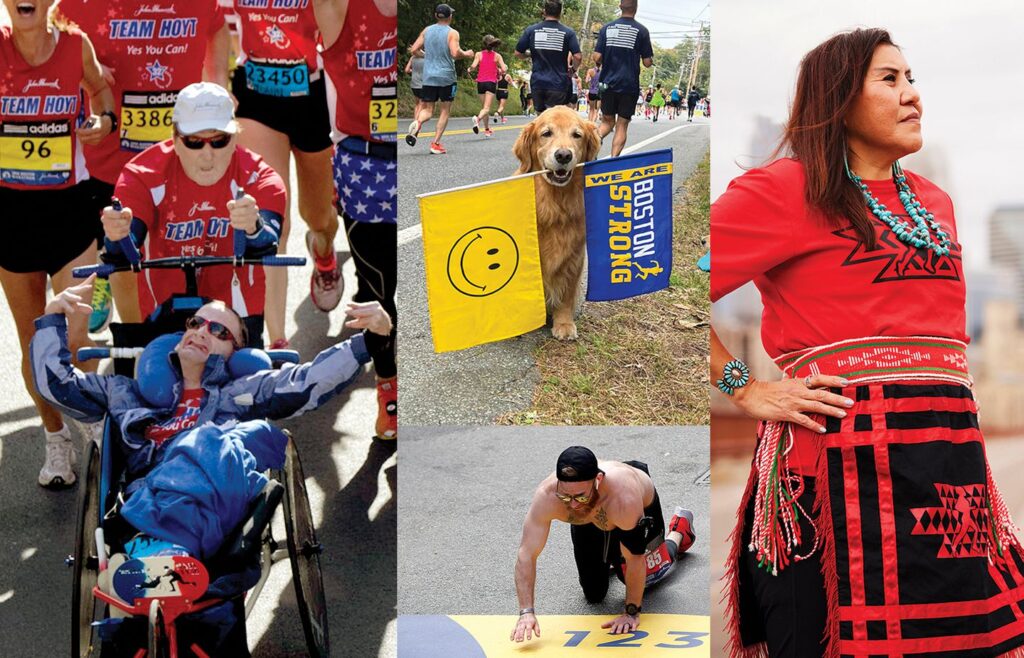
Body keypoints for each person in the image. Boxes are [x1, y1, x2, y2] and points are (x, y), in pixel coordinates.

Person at [714, 29, 1024, 658]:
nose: (912, 96)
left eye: (912, 79)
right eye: (890, 79)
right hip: (827, 483)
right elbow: (671, 289)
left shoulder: (934, 203)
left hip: (947, 478)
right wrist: (743, 388)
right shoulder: (784, 189)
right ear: (837, 97)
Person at [30, 276, 392, 652]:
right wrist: (52, 319)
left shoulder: (240, 394)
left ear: (233, 351)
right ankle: (164, 565)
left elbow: (308, 381)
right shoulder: (128, 394)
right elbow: (57, 385)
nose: (202, 331)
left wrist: (371, 340)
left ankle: (163, 559)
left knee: (213, 439)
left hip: (219, 505)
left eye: (219, 330)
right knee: (200, 446)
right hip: (147, 501)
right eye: (195, 323)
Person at [53, 0, 229, 334]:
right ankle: (135, 339)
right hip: (114, 156)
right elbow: (52, 33)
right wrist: (86, 66)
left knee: (179, 256)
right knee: (126, 254)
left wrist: (218, 83)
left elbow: (217, 27)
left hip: (184, 153)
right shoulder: (86, 3)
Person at [0, 0, 116, 487]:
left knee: (73, 338)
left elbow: (101, 91)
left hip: (69, 210)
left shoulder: (74, 46)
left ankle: (89, 421)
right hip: (10, 214)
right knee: (35, 347)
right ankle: (55, 439)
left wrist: (103, 121)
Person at [101, 82, 286, 346]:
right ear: (175, 140)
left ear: (235, 137)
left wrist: (254, 228)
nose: (208, 155)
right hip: (165, 313)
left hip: (236, 317)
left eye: (219, 141)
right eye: (195, 142)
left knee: (246, 374)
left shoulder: (261, 176)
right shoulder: (141, 174)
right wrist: (116, 234)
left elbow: (268, 244)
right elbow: (124, 248)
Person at [229, 0, 344, 342]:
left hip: (313, 96)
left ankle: (324, 254)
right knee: (269, 217)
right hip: (256, 97)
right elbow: (215, 28)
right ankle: (272, 338)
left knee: (318, 216)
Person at [312, 0, 399, 441]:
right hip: (366, 168)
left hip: (407, 158)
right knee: (378, 289)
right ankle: (389, 390)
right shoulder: (339, 9)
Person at [511, 446, 695, 642]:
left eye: (580, 496)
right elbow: (526, 554)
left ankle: (679, 533)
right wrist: (526, 612)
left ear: (598, 481)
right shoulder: (547, 496)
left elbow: (635, 558)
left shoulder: (623, 498)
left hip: (630, 506)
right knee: (594, 593)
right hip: (590, 520)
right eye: (566, 496)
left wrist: (631, 612)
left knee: (643, 578)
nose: (573, 504)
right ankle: (614, 558)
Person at [405, 3, 473, 155]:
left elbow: (414, 49)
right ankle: (435, 144)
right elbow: (455, 53)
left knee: (428, 109)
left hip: (428, 76)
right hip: (446, 77)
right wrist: (467, 54)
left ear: (436, 15)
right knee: (445, 110)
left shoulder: (427, 30)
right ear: (450, 16)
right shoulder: (452, 33)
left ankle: (418, 122)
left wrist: (427, 55)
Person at [594, 0, 653, 157]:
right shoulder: (642, 31)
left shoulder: (606, 28)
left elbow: (597, 56)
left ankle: (590, 146)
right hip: (629, 85)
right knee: (622, 124)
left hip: (607, 83)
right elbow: (647, 63)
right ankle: (614, 160)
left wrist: (606, 59)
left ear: (620, 6)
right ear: (636, 8)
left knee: (607, 121)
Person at [514, 0, 581, 113]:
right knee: (554, 119)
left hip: (538, 82)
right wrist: (573, 69)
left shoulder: (531, 30)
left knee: (541, 119)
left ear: (544, 12)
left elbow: (518, 53)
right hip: (558, 83)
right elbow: (578, 57)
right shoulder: (568, 33)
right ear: (560, 13)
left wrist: (530, 54)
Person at [468, 35, 506, 137]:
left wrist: (470, 69)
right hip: (490, 83)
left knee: (484, 108)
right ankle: (477, 119)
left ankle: (487, 129)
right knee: (486, 108)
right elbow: (504, 69)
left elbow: (473, 66)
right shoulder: (497, 56)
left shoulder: (478, 54)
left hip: (480, 83)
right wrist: (500, 70)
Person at [406, 48, 426, 125]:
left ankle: (414, 120)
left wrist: (413, 71)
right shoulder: (426, 59)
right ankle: (416, 123)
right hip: (422, 84)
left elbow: (407, 70)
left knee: (417, 104)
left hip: (414, 83)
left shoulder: (412, 58)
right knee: (421, 104)